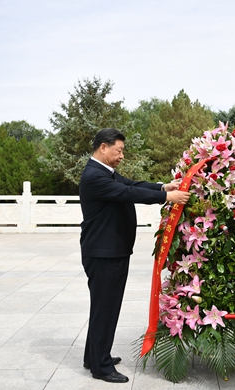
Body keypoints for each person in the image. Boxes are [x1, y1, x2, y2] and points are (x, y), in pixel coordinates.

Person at [79, 128, 190, 383]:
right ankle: (101, 367)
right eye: (118, 150)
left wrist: (162, 186)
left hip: (109, 251)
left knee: (102, 307)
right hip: (104, 253)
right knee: (106, 308)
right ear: (103, 147)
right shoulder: (94, 176)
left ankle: (93, 356)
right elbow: (128, 194)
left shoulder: (105, 172)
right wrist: (167, 197)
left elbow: (131, 184)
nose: (121, 156)